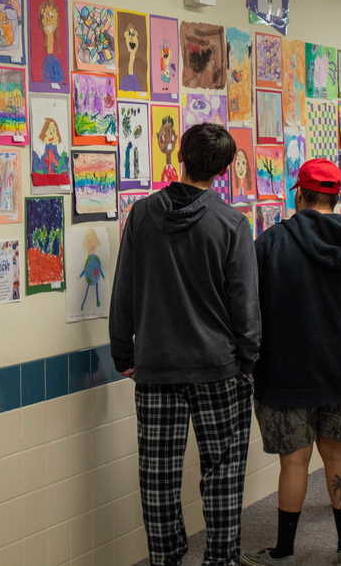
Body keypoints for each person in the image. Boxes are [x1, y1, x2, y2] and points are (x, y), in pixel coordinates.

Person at [110, 122, 260, 566]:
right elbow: (245, 304)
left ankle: (166, 559)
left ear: (180, 155)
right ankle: (220, 559)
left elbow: (125, 290)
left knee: (157, 478)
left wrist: (123, 351)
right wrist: (248, 357)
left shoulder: (142, 215)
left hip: (156, 366)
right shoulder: (232, 223)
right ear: (226, 169)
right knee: (223, 474)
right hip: (219, 367)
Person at [244, 159, 341, 566]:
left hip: (285, 373)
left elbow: (249, 308)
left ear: (299, 193)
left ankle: (284, 551)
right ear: (339, 196)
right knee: (339, 458)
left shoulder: (272, 243)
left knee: (294, 462)